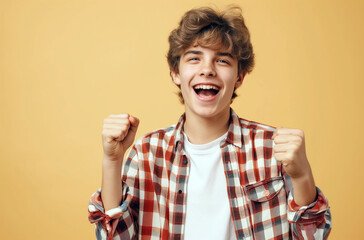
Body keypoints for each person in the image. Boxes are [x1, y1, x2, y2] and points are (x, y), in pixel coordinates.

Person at [88, 6, 331, 240]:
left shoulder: (273, 149)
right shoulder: (147, 154)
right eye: (194, 58)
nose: (207, 69)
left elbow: (314, 236)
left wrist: (302, 176)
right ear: (175, 73)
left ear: (239, 77)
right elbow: (114, 237)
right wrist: (112, 161)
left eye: (222, 60)